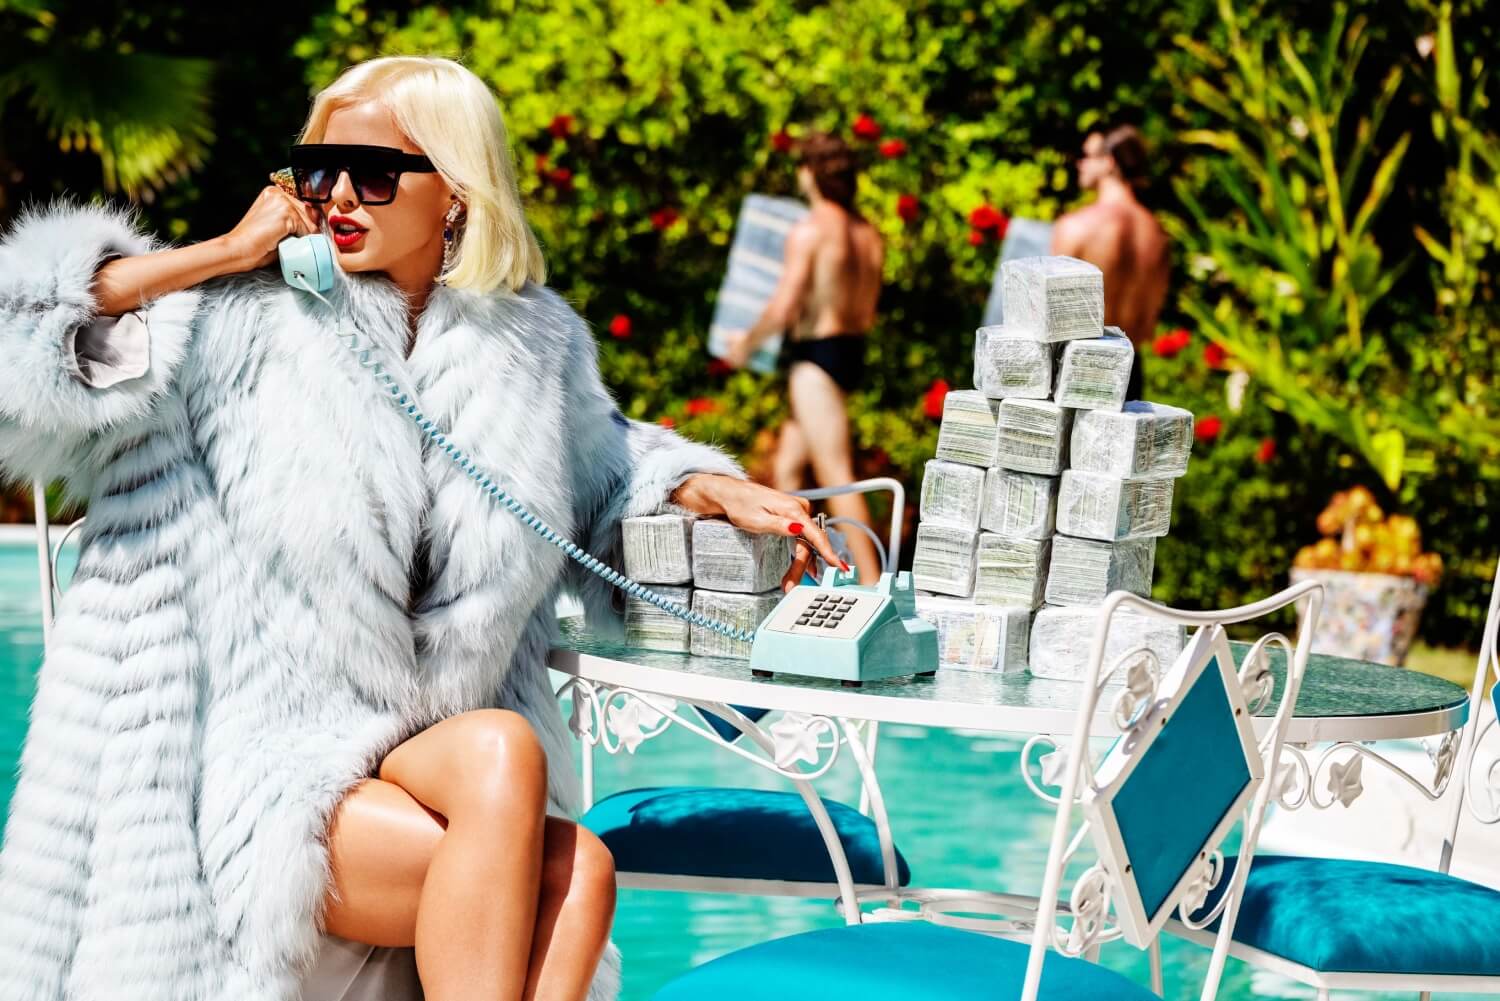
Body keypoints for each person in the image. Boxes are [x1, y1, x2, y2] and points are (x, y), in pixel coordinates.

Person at [0, 56, 843, 1001]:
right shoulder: (235, 328)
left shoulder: (530, 341)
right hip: (271, 763)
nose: (338, 196)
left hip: (429, 749)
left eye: (372, 173)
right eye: (318, 171)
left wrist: (707, 486)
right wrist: (228, 250)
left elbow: (607, 464)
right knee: (554, 862)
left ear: (456, 191)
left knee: (552, 823)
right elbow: (21, 332)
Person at [723, 132, 884, 584]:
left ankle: (875, 585)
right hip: (849, 352)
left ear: (809, 173)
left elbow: (784, 306)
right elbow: (869, 309)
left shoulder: (811, 229)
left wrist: (746, 343)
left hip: (816, 358)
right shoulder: (868, 234)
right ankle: (787, 574)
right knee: (788, 470)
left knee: (837, 473)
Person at [1049, 124, 1170, 401]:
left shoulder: (1075, 227)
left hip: (1077, 368)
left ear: (1109, 162)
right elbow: (1148, 326)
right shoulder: (1156, 234)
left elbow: (1050, 317)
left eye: (1086, 155)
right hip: (1129, 372)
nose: (1079, 163)